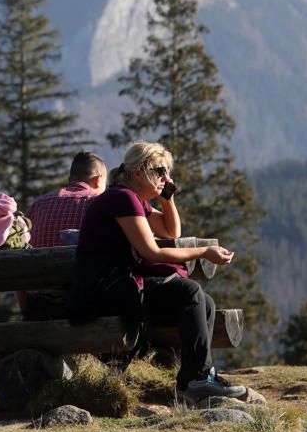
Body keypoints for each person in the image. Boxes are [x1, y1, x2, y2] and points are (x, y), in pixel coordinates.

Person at [67, 141, 247, 402]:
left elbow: (171, 232)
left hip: (118, 288)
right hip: (105, 291)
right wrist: (203, 251)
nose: (165, 177)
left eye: (166, 172)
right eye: (159, 170)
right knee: (189, 291)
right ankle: (197, 379)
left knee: (203, 302)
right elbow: (152, 252)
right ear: (138, 172)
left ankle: (194, 380)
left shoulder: (131, 199)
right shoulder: (122, 198)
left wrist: (168, 198)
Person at [28, 151, 108, 248]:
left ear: (70, 178)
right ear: (98, 180)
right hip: (83, 263)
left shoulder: (38, 204)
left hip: (38, 263)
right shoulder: (100, 202)